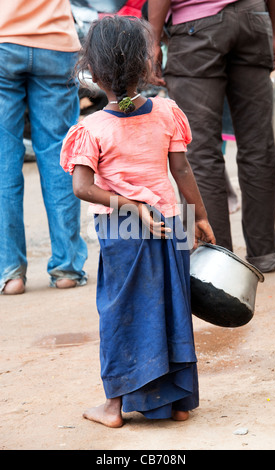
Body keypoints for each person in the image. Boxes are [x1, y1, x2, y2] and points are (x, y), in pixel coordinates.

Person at [60, 15, 215, 427]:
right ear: (145, 66)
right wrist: (199, 216)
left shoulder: (91, 128)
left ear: (93, 71)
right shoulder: (167, 112)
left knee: (122, 312)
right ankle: (179, 402)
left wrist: (128, 203)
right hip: (173, 221)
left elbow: (81, 187)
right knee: (171, 307)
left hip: (121, 228)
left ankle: (112, 408)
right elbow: (182, 171)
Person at [148, 0, 275, 273]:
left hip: (196, 28)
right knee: (259, 145)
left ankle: (218, 260)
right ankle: (265, 253)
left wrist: (152, 40)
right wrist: (271, 25)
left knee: (200, 152)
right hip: (254, 19)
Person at [0, 0, 88, 295]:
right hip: (56, 41)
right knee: (59, 159)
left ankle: (9, 272)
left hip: (2, 41)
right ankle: (66, 268)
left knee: (3, 161)